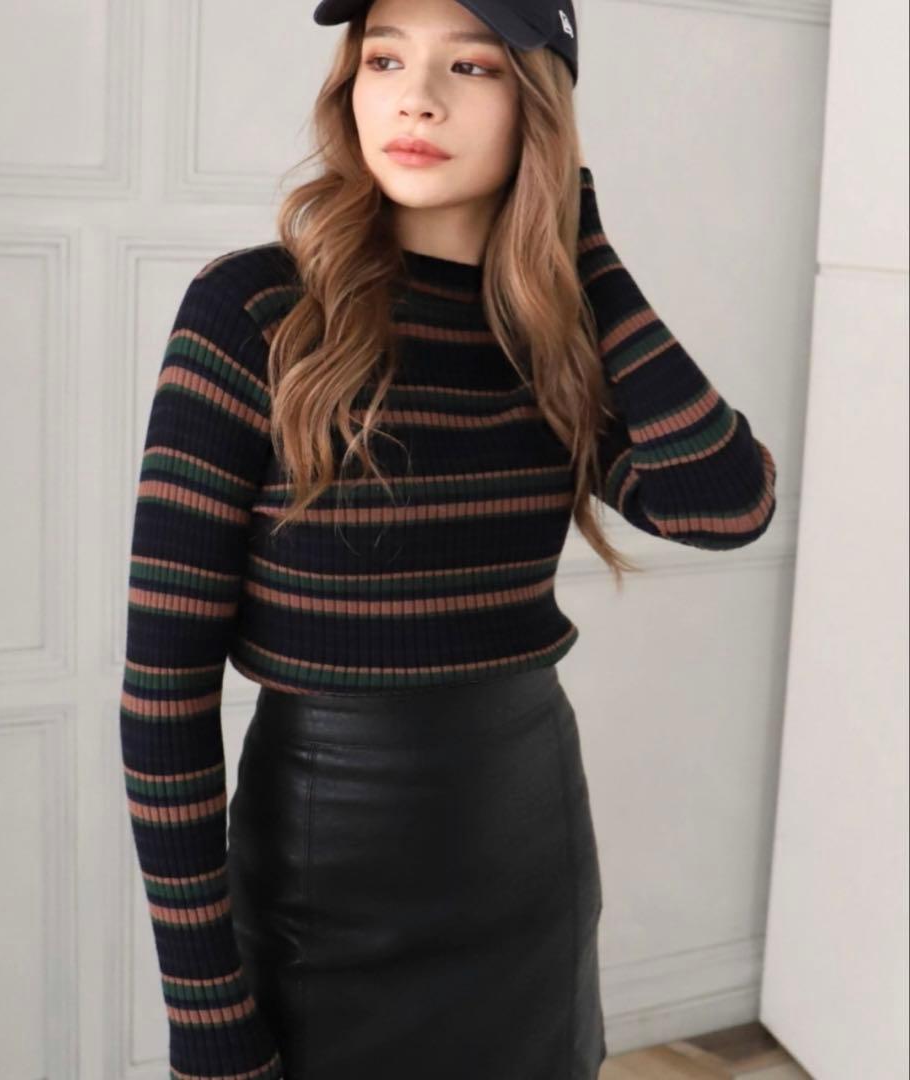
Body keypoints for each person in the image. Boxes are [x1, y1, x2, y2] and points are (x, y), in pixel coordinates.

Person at [118, 1, 778, 1077]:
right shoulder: (253, 312)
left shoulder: (551, 337)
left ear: (538, 103)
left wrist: (582, 250)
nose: (416, 99)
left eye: (470, 67)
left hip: (530, 864)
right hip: (326, 886)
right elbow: (163, 694)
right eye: (385, 59)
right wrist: (207, 1015)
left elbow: (728, 504)